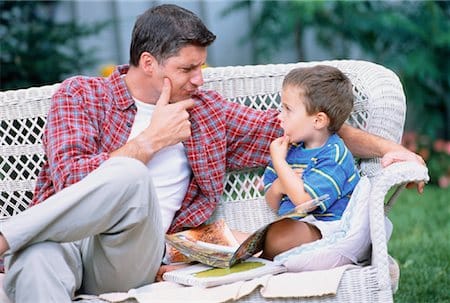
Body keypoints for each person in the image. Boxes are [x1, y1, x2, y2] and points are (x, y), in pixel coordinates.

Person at [0, 4, 425, 302]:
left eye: (201, 66)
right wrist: (150, 141)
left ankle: (6, 236)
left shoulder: (207, 114)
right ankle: (17, 244)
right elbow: (72, 177)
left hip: (128, 257)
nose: (200, 79)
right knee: (35, 260)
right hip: (60, 241)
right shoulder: (82, 96)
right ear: (148, 64)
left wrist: (395, 150)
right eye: (188, 68)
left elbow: (311, 126)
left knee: (131, 177)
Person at [261, 65, 360, 263]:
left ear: (318, 120)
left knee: (277, 236)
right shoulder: (292, 150)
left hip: (328, 232)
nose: (279, 116)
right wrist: (278, 185)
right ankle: (258, 254)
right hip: (295, 227)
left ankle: (260, 256)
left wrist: (280, 163)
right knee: (269, 234)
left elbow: (304, 201)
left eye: (288, 109)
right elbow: (272, 202)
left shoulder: (334, 155)